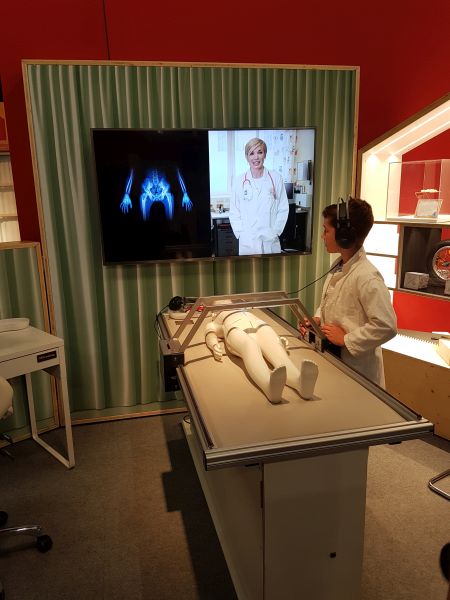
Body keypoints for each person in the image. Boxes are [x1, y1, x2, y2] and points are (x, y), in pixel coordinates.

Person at [301, 197, 397, 387]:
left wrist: (347, 339)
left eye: (326, 230)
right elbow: (330, 301)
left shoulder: (367, 277)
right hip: (336, 361)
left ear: (344, 236)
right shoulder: (338, 266)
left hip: (359, 372)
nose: (322, 236)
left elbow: (387, 326)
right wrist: (318, 319)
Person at [205, 308, 318, 404]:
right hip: (234, 327)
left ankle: (300, 382)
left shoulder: (244, 309)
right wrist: (213, 344)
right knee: (250, 347)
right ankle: (268, 385)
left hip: (259, 324)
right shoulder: (217, 318)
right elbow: (209, 330)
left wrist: (279, 340)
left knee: (276, 348)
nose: (226, 301)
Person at [229, 138, 289, 255]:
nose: (256, 157)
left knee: (272, 267)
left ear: (265, 154)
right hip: (248, 242)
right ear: (247, 157)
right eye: (251, 153)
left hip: (270, 241)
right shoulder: (239, 181)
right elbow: (234, 211)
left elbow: (283, 208)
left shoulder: (276, 178)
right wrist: (241, 233)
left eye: (260, 152)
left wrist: (275, 232)